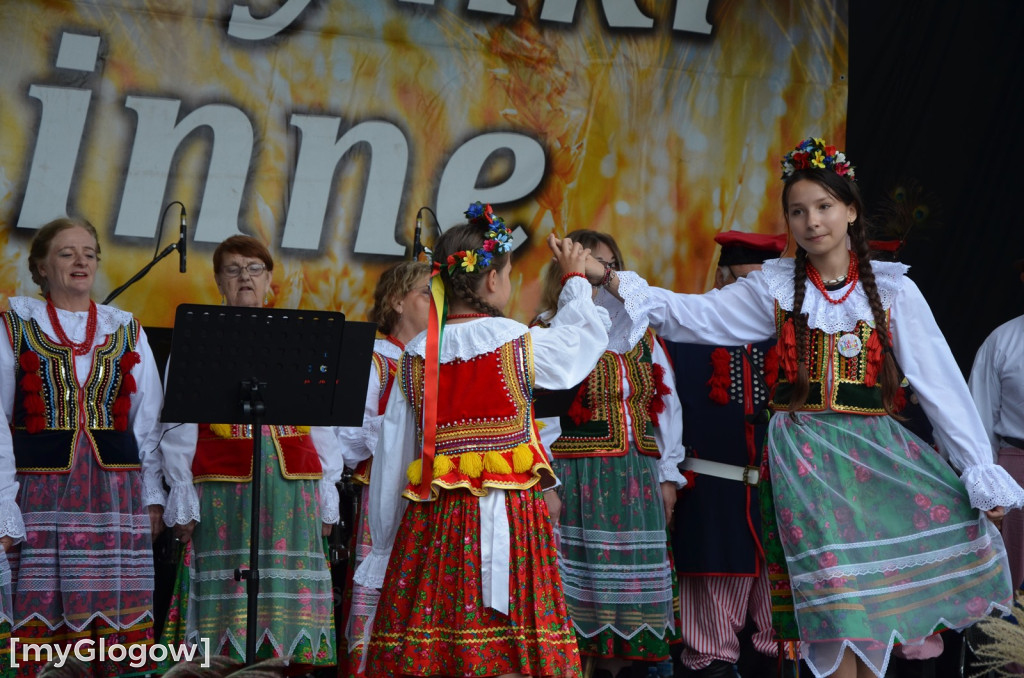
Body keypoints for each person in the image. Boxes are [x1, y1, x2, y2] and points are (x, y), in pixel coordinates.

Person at [582, 137, 1024, 678]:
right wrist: (609, 278)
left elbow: (942, 384)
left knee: (867, 619)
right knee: (834, 615)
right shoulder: (774, 289)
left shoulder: (892, 291)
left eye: (823, 207)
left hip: (874, 461)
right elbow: (688, 316)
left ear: (850, 210)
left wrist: (979, 468)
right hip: (807, 464)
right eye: (798, 211)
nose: (812, 221)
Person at [353, 202, 609, 677]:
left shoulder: (415, 354)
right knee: (510, 640)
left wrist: (387, 548)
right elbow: (579, 349)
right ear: (492, 281)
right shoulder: (516, 340)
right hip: (510, 521)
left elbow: (392, 460)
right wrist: (575, 282)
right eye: (508, 274)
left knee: (436, 635)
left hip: (434, 522)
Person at [159, 235, 338, 668]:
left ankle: (280, 668)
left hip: (291, 485)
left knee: (284, 595)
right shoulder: (198, 338)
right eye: (234, 269)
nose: (245, 277)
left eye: (254, 269)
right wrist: (182, 493)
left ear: (269, 279)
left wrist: (328, 491)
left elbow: (322, 419)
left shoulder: (296, 338)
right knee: (230, 595)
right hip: (223, 488)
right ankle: (227, 668)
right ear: (219, 280)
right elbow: (177, 422)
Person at [0, 217, 165, 677]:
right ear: (40, 267)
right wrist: (1, 504)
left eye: (89, 253)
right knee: (42, 604)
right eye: (67, 252)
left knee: (111, 609)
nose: (81, 261)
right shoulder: (15, 325)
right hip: (40, 494)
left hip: (115, 493)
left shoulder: (125, 328)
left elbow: (149, 420)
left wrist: (153, 495)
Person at [535, 229, 685, 678]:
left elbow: (667, 405)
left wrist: (667, 475)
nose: (601, 274)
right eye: (589, 264)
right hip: (578, 479)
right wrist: (547, 484)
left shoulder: (641, 336)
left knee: (628, 610)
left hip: (636, 478)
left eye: (608, 265)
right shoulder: (547, 330)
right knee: (576, 603)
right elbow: (537, 415)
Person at [662, 230, 786, 678]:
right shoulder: (681, 337)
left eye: (763, 290)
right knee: (709, 644)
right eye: (742, 286)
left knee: (785, 640)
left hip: (781, 508)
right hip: (711, 505)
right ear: (720, 278)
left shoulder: (791, 340)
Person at [334, 260, 431, 676]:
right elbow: (346, 438)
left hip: (434, 494)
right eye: (427, 293)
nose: (435, 303)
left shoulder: (442, 358)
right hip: (386, 495)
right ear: (396, 301)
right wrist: (401, 430)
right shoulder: (374, 357)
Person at [969, 256, 1024, 591]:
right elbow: (978, 417)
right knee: (1008, 580)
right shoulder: (1003, 341)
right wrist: (989, 489)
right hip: (1014, 469)